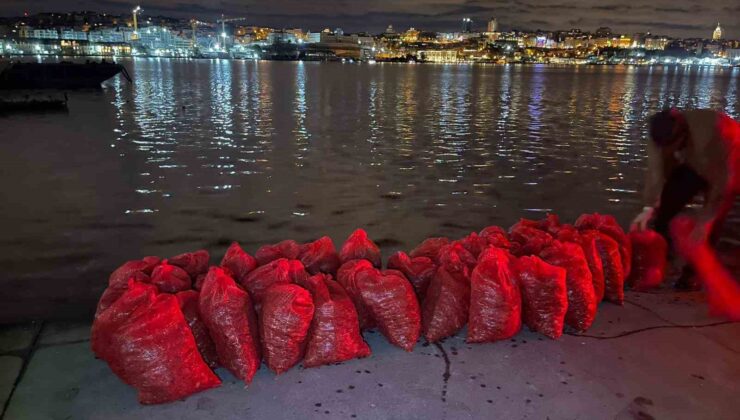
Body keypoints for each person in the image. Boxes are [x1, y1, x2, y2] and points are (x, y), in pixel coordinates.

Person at [631, 108, 739, 287]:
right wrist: (649, 207)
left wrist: (706, 221)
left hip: (731, 165)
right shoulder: (660, 133)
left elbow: (720, 188)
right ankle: (661, 262)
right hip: (693, 164)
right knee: (666, 206)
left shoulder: (715, 133)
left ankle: (693, 275)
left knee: (711, 225)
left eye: (674, 145)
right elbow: (656, 170)